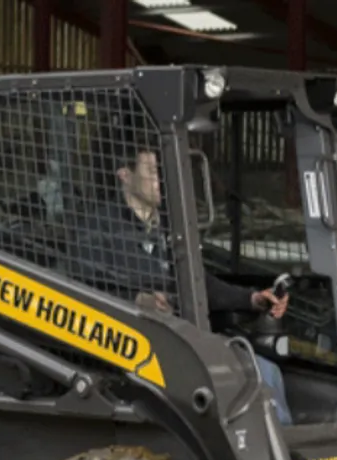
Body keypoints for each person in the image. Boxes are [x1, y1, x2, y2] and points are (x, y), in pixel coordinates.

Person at [101, 143, 295, 426]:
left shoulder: (171, 229)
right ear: (125, 175)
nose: (160, 180)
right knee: (245, 377)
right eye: (152, 171)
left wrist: (252, 299)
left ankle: (282, 454)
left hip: (184, 340)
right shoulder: (101, 230)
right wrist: (137, 299)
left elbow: (199, 283)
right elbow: (84, 286)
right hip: (133, 349)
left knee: (267, 372)